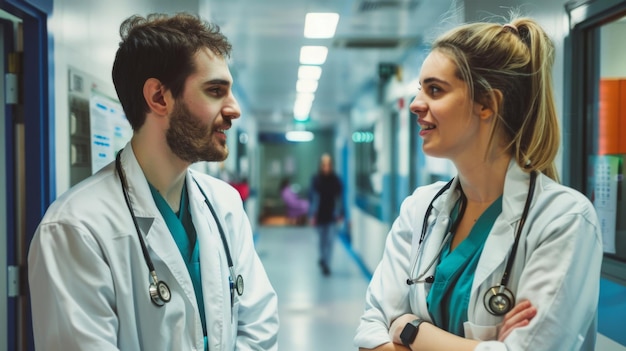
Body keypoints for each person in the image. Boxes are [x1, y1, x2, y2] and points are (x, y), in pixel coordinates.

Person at [28, 13, 278, 350]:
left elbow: (259, 326)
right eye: (216, 91)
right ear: (159, 97)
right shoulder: (76, 229)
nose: (234, 109)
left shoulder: (225, 205)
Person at [354, 17, 602, 351]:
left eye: (435, 90)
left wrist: (410, 329)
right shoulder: (420, 209)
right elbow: (369, 335)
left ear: (486, 103)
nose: (415, 104)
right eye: (419, 90)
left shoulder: (563, 220)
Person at [308, 153, 343, 276]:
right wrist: (312, 215)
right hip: (319, 215)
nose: (326, 167)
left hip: (331, 215)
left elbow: (339, 199)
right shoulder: (316, 180)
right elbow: (312, 198)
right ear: (321, 166)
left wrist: (340, 214)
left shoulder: (336, 180)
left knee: (330, 241)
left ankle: (327, 264)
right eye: (324, 165)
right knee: (321, 241)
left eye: (328, 165)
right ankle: (323, 258)